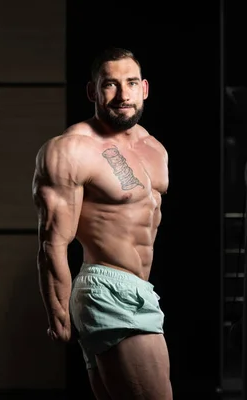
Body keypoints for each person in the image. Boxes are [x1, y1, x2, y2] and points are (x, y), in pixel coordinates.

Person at [31, 47, 172, 400]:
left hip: (139, 290)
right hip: (107, 289)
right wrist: (58, 313)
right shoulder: (71, 149)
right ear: (93, 91)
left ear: (145, 88)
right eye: (110, 84)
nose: (123, 95)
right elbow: (53, 243)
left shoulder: (154, 147)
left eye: (131, 83)